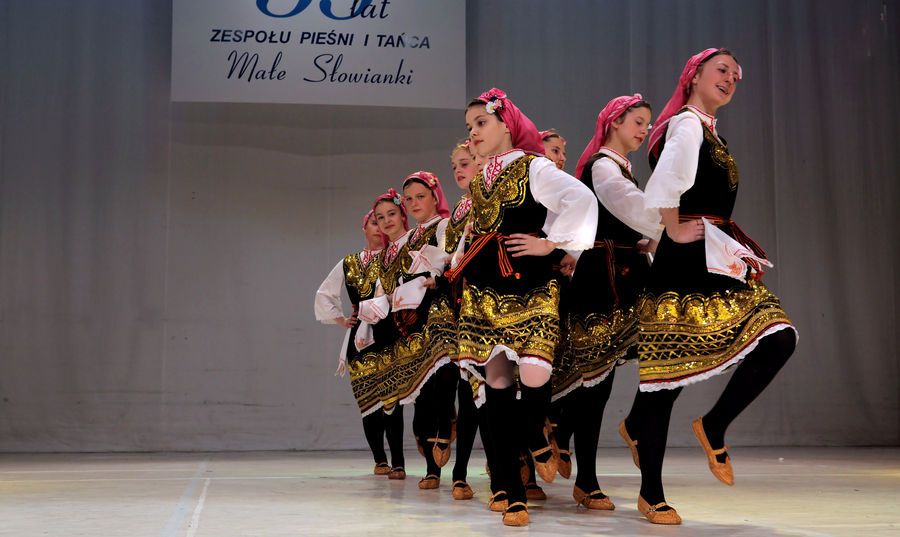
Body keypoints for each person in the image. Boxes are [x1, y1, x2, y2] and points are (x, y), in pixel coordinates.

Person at [621, 48, 797, 525]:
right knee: (665, 381)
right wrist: (673, 229)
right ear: (694, 75)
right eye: (722, 70)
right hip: (683, 262)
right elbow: (667, 182)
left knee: (778, 335)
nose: (731, 79)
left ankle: (713, 424)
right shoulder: (687, 124)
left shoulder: (711, 132)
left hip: (715, 255)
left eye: (736, 76)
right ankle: (651, 492)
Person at [450, 88, 597, 526]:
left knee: (535, 372)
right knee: (496, 382)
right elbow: (475, 231)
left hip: (530, 283)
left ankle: (534, 430)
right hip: (485, 285)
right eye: (470, 127)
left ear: (507, 125)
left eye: (481, 123)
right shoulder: (480, 179)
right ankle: (512, 492)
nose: (474, 133)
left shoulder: (533, 166)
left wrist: (551, 244)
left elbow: (580, 199)